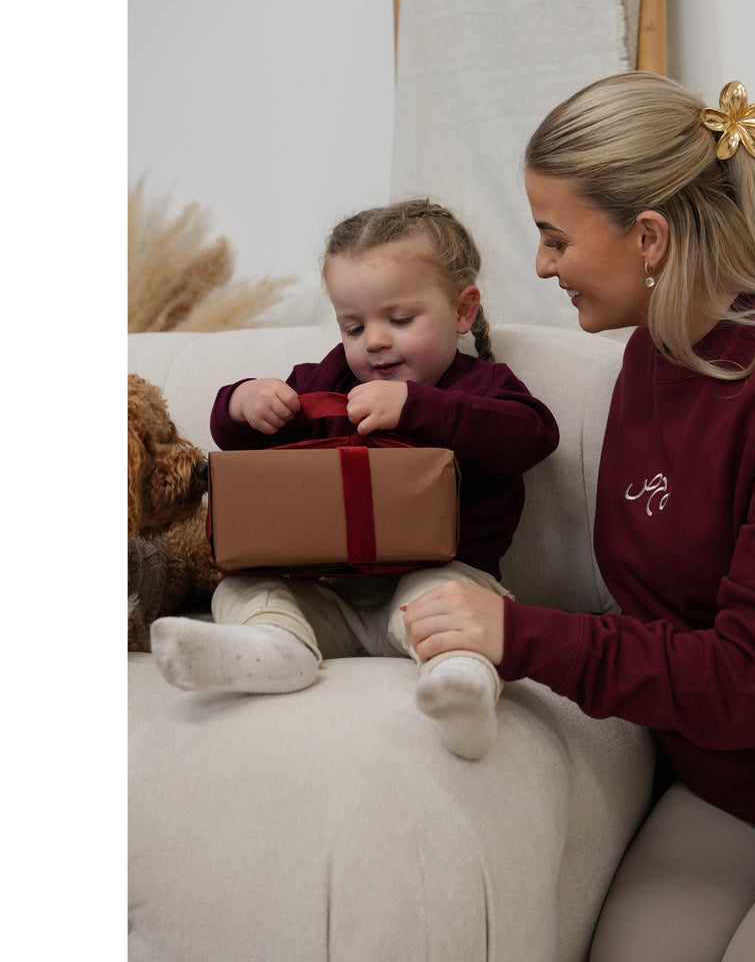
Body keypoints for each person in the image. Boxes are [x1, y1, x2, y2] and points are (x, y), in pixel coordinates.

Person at [400, 73, 755, 960]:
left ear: (652, 237)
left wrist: (522, 636)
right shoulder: (652, 357)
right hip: (725, 779)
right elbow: (658, 616)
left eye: (556, 237)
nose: (543, 266)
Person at [151, 198, 559, 761]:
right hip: (329, 597)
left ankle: (460, 687)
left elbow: (533, 436)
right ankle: (276, 648)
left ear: (463, 312)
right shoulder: (325, 379)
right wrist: (243, 402)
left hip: (433, 584)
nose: (374, 341)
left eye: (399, 320)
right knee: (238, 587)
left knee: (451, 605)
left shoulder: (482, 387)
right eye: (353, 325)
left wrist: (417, 407)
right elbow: (240, 443)